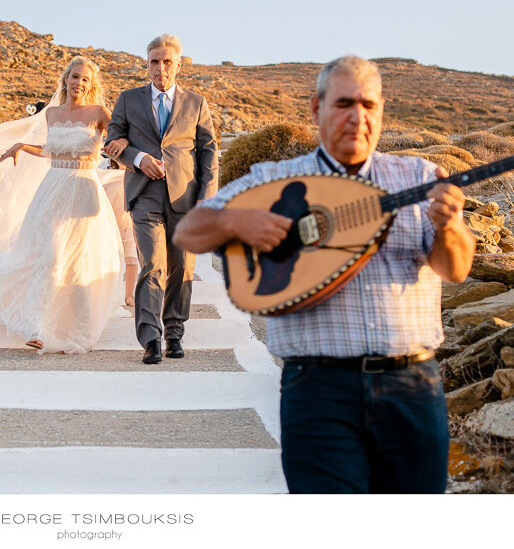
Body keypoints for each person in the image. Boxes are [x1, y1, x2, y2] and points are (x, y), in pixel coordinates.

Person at [173, 55, 475, 493]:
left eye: (368, 105)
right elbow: (189, 231)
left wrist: (448, 225)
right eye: (344, 103)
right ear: (316, 109)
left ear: (381, 110)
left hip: (411, 387)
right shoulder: (273, 179)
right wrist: (235, 222)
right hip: (316, 390)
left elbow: (457, 268)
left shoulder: (418, 175)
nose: (358, 117)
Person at [0, 56, 123, 354]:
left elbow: (120, 142)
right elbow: (51, 150)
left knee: (80, 263)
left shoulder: (100, 113)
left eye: (85, 79)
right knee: (49, 255)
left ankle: (80, 331)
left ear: (92, 84)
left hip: (83, 189)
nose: (79, 83)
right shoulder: (52, 114)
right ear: (66, 79)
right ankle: (38, 326)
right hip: (52, 190)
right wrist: (22, 146)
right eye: (75, 77)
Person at [106, 34, 218, 364]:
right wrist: (138, 159)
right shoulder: (128, 99)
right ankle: (150, 338)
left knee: (182, 266)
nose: (161, 67)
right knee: (152, 263)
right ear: (147, 64)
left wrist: (206, 198)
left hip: (186, 197)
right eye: (155, 61)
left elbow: (210, 152)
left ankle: (174, 333)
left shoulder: (197, 103)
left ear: (178, 64)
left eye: (167, 61)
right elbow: (112, 140)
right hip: (144, 195)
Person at [98, 153, 139, 307]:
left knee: (131, 257)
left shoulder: (134, 176)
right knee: (107, 257)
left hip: (129, 220)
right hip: (110, 220)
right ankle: (104, 292)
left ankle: (129, 295)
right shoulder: (106, 176)